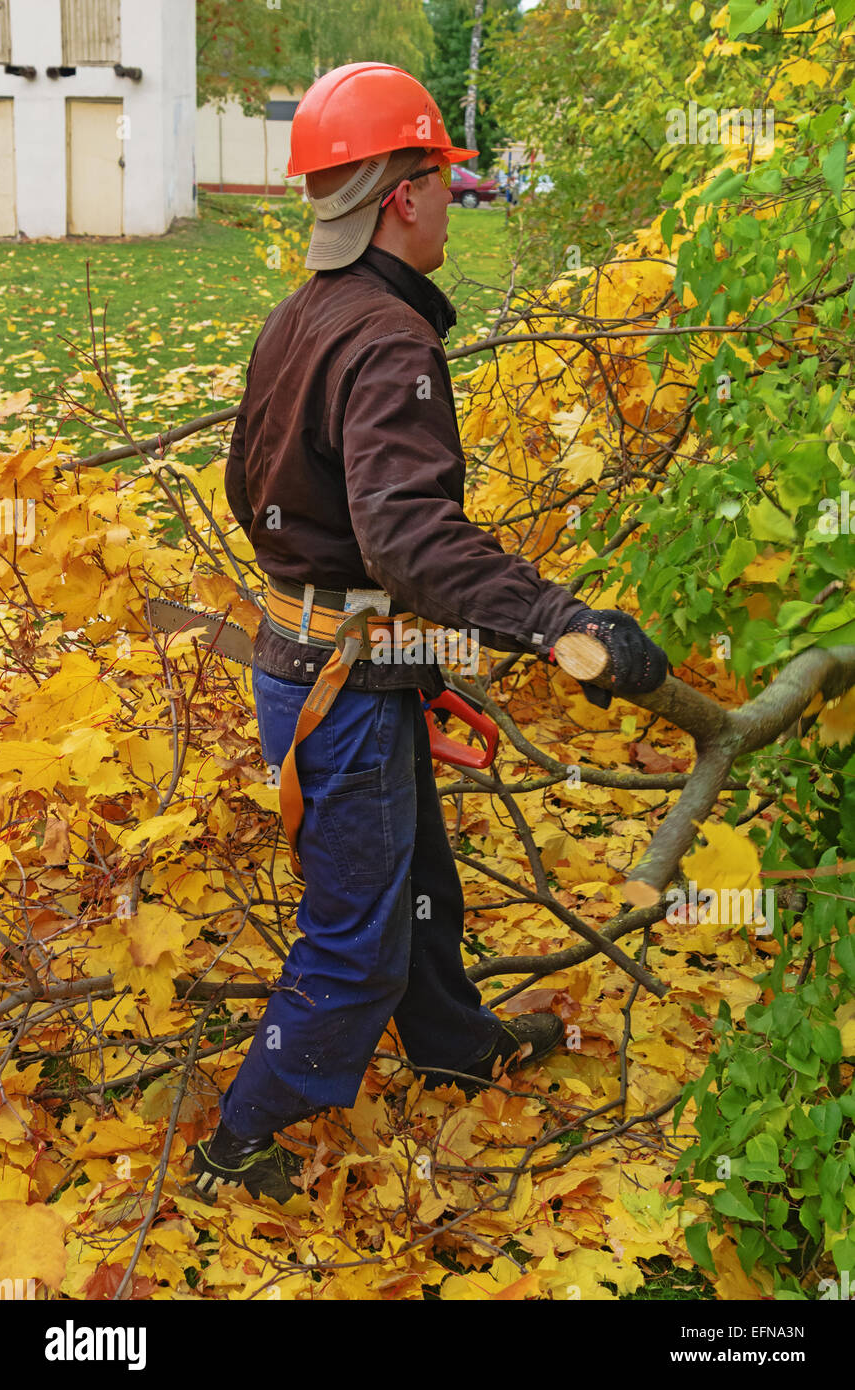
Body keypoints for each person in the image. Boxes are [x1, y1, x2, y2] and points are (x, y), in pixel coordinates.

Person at [189, 63, 668, 1204]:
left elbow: (244, 481)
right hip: (339, 684)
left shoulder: (302, 317)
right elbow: (407, 539)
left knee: (420, 888)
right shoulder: (388, 340)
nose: (455, 200)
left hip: (331, 661)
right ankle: (234, 1148)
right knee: (355, 941)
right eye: (445, 180)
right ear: (401, 193)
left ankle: (455, 1045)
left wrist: (380, 633)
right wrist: (560, 621)